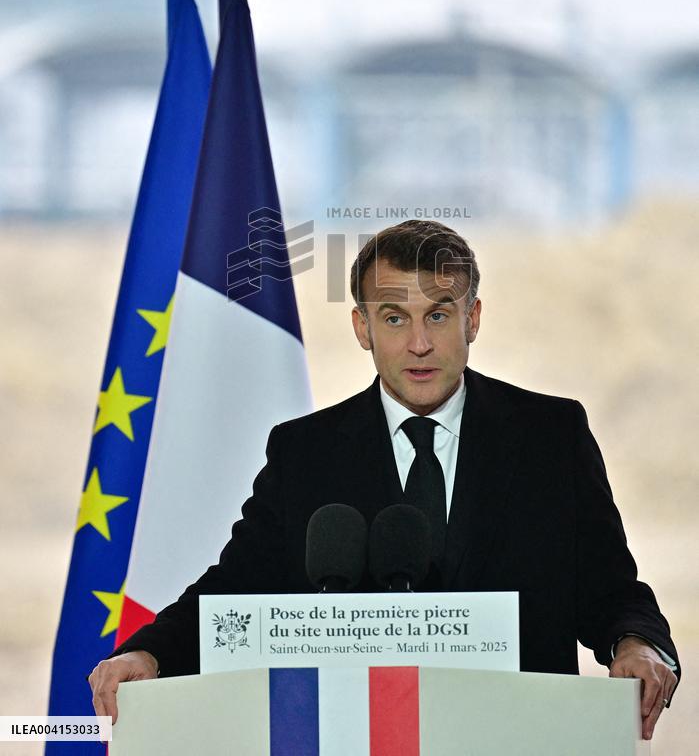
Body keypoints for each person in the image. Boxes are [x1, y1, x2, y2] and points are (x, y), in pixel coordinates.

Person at [90, 220, 679, 740]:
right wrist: (151, 652)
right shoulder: (306, 453)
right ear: (362, 326)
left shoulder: (551, 435)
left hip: (518, 737)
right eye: (394, 318)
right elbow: (239, 586)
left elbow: (610, 589)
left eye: (439, 315)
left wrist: (638, 643)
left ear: (472, 318)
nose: (418, 344)